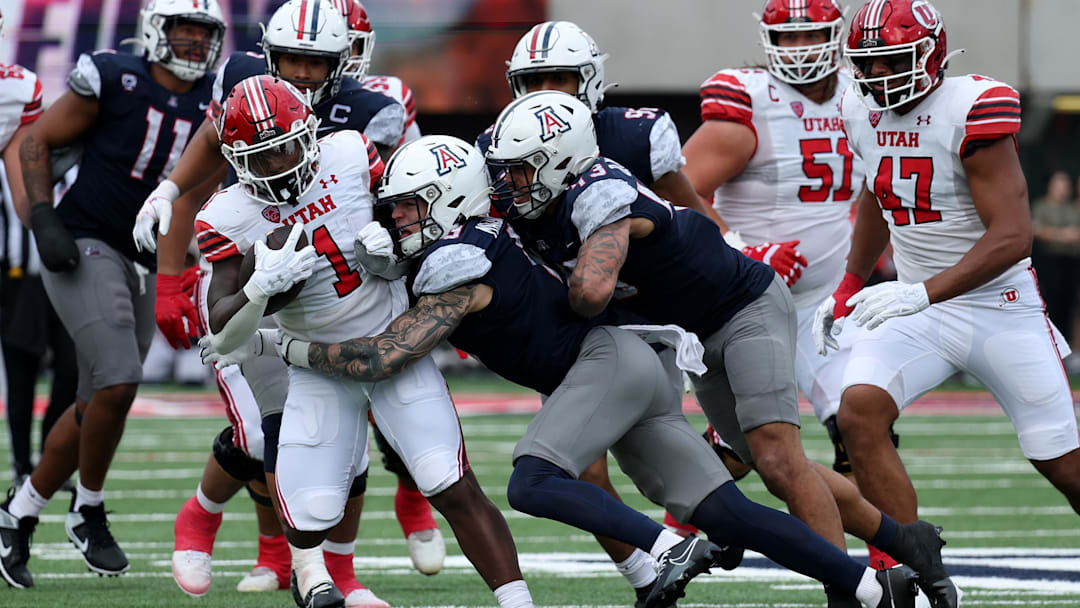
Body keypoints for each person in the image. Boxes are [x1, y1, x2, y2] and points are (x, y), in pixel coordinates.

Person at [272, 132, 954, 608]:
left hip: (609, 361)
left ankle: (664, 547)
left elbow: (384, 354)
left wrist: (290, 346)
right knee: (727, 511)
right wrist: (384, 248)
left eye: (409, 207)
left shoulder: (460, 261)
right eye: (391, 208)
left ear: (448, 200)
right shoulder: (472, 227)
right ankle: (873, 586)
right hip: (629, 361)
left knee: (533, 481)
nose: (396, 219)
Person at [486, 90, 958, 607]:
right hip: (693, 331)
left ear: (564, 161)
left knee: (779, 461)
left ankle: (849, 594)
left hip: (742, 306)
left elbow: (592, 292)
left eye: (524, 170)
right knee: (773, 462)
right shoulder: (540, 200)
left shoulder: (600, 193)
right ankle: (902, 539)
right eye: (506, 171)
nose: (512, 183)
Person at [128, 0, 438, 598]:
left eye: (315, 62)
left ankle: (327, 573)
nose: (299, 73)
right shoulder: (243, 86)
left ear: (342, 61)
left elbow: (405, 198)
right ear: (269, 55)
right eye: (290, 59)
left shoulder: (370, 114)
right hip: (246, 277)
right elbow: (214, 139)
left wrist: (395, 245)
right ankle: (208, 522)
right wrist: (170, 203)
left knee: (343, 442)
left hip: (331, 288)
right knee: (261, 435)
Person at [196, 74, 532, 608]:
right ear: (237, 161)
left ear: (310, 133)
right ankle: (309, 577)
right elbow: (222, 331)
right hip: (316, 369)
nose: (280, 165)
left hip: (394, 346)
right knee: (310, 509)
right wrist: (259, 289)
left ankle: (518, 603)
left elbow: (407, 215)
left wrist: (394, 249)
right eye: (263, 157)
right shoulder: (226, 216)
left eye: (286, 147)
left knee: (448, 482)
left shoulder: (350, 154)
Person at [814, 1, 1080, 597]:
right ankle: (911, 572)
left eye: (892, 61)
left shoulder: (970, 108)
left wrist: (920, 292)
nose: (880, 78)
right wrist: (852, 283)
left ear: (931, 54)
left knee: (1062, 462)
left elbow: (1013, 236)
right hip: (918, 306)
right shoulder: (861, 110)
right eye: (869, 65)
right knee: (858, 413)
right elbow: (880, 194)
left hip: (998, 306)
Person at [0, 0, 226, 589]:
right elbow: (36, 142)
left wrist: (175, 275)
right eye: (186, 30)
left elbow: (192, 198)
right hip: (86, 240)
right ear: (157, 29)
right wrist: (45, 218)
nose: (197, 44)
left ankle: (18, 512)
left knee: (97, 400)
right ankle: (88, 507)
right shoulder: (114, 76)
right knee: (121, 378)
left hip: (148, 256)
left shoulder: (215, 103)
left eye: (206, 34)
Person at [678, 0, 909, 571]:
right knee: (747, 452)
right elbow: (675, 191)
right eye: (787, 37)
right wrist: (740, 250)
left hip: (827, 303)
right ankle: (681, 538)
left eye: (811, 35)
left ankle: (894, 566)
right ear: (767, 40)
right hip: (749, 301)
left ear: (837, 35)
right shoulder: (748, 102)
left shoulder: (866, 97)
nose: (800, 48)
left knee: (865, 425)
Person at [0, 13, 76, 494]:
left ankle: (49, 457)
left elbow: (30, 203)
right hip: (15, 271)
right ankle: (23, 460)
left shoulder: (20, 99)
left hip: (61, 273)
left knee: (68, 367)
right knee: (21, 367)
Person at [1031, 170, 1080, 344]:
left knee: (1068, 304)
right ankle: (1048, 343)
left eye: (1065, 185)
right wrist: (1063, 235)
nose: (1062, 189)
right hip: (1048, 262)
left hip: (1070, 263)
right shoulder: (1041, 206)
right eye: (1059, 184)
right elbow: (1036, 230)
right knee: (1047, 303)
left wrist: (1055, 234)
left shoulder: (1072, 209)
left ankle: (1065, 345)